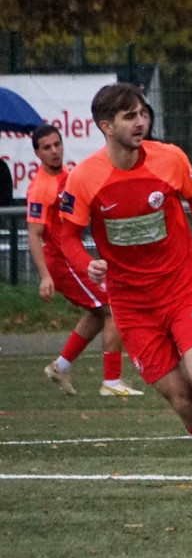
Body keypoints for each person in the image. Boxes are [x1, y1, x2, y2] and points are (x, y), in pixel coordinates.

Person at [59, 82, 192, 484]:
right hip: (132, 309)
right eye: (129, 117)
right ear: (106, 126)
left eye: (143, 114)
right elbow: (67, 236)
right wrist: (87, 264)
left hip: (180, 291)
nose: (141, 122)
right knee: (182, 399)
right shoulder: (83, 178)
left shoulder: (169, 158)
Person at [25, 124, 143, 397]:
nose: (54, 151)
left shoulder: (67, 176)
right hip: (62, 264)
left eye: (57, 144)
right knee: (113, 307)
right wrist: (45, 276)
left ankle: (60, 367)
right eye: (47, 147)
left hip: (74, 259)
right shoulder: (40, 187)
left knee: (98, 312)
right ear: (37, 153)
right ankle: (111, 382)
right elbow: (34, 234)